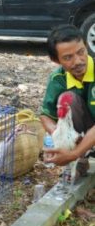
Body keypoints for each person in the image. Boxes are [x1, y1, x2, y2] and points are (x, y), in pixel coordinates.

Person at [40, 24, 95, 172]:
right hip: (86, 135)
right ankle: (83, 158)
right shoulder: (58, 78)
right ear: (56, 60)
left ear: (86, 46)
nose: (78, 61)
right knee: (68, 99)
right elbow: (45, 115)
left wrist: (72, 154)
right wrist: (61, 136)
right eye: (68, 57)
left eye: (81, 52)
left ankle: (82, 153)